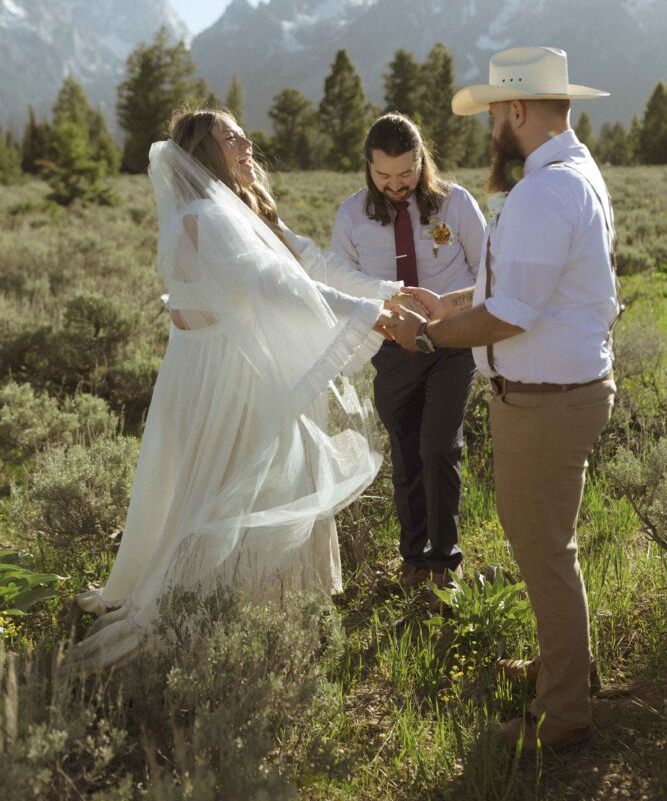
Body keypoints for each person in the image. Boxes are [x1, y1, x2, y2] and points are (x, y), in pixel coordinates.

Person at [73, 107, 406, 669]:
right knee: (240, 488)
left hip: (214, 369)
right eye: (231, 138)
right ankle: (227, 614)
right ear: (204, 154)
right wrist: (372, 313)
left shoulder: (227, 210)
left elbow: (307, 267)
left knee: (227, 485)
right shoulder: (208, 214)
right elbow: (273, 285)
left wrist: (389, 296)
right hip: (227, 375)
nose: (248, 142)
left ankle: (259, 609)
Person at [388, 48, 620, 751]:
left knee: (544, 555)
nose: (492, 126)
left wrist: (430, 338)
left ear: (516, 111)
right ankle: (564, 672)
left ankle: (562, 716)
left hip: (545, 402)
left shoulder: (544, 192)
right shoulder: (566, 177)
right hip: (558, 393)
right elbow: (510, 291)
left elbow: (510, 315)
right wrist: (451, 301)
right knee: (552, 549)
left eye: (495, 112)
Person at [331, 113, 486, 593]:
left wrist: (447, 312)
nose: (396, 185)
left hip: (451, 343)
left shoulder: (456, 204)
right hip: (391, 350)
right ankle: (413, 557)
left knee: (439, 446)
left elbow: (491, 275)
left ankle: (446, 563)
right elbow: (339, 287)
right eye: (384, 176)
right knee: (406, 452)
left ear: (423, 162)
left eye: (406, 173)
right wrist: (387, 323)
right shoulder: (351, 216)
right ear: (368, 168)